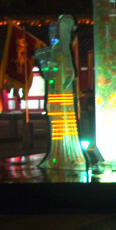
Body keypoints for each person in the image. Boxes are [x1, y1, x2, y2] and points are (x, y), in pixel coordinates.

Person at [34, 14, 86, 170]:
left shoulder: (64, 51)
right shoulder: (56, 50)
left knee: (65, 121)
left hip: (63, 93)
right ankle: (58, 153)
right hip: (56, 91)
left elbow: (71, 73)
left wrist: (63, 79)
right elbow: (50, 72)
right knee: (57, 122)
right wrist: (44, 62)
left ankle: (65, 153)